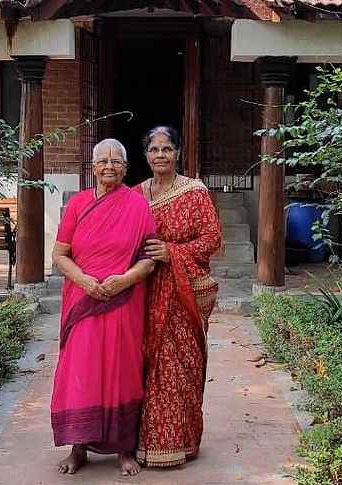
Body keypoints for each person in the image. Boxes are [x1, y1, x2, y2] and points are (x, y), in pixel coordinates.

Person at [50, 138, 157, 477]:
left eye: (116, 161)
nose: (109, 166)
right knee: (80, 370)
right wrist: (84, 281)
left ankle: (124, 448)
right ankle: (78, 447)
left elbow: (149, 259)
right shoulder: (79, 204)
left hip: (123, 300)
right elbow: (60, 254)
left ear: (126, 168)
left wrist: (124, 280)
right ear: (92, 166)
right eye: (103, 160)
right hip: (83, 300)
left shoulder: (138, 205)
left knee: (121, 369)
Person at [135, 126, 223, 468]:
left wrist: (171, 252)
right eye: (154, 149)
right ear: (146, 155)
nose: (160, 155)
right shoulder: (136, 195)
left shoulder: (195, 192)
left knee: (180, 366)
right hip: (144, 291)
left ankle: (181, 441)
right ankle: (147, 442)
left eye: (167, 149)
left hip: (184, 292)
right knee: (148, 364)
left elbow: (212, 239)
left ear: (177, 153)